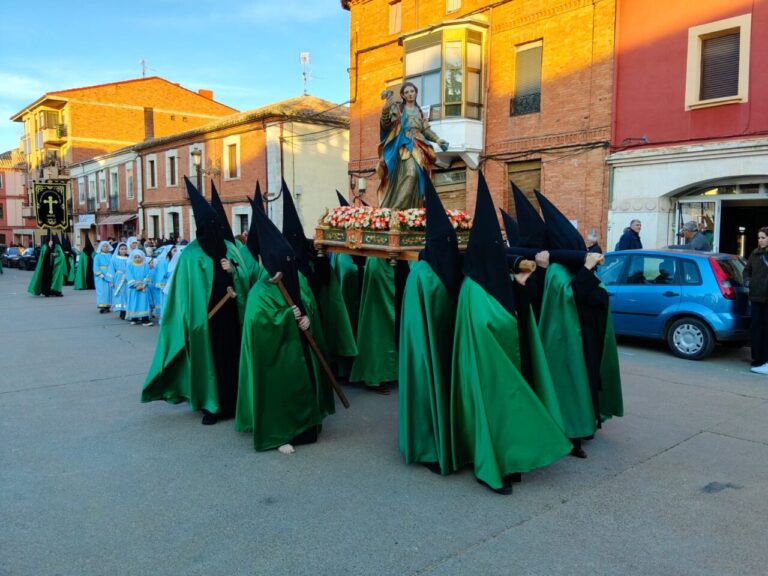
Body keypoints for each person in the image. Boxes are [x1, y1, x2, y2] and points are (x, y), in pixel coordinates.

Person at [451, 172, 572, 494]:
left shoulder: (491, 278)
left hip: (505, 359)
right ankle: (493, 466)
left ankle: (511, 460)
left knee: (509, 410)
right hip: (488, 365)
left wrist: (519, 285)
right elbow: (485, 324)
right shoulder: (472, 289)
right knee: (497, 409)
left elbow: (514, 310)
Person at [142, 178, 249, 425]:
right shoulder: (190, 255)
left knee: (231, 360)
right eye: (207, 225)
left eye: (215, 224)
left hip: (231, 316)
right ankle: (212, 404)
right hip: (206, 321)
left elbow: (245, 278)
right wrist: (190, 320)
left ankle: (234, 402)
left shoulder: (230, 248)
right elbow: (182, 295)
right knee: (210, 363)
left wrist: (234, 271)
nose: (213, 229)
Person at [236, 196, 335, 453]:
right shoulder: (259, 292)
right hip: (277, 359)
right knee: (282, 391)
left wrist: (307, 318)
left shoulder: (296, 280)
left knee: (306, 385)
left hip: (301, 348)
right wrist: (285, 318)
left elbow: (309, 305)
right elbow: (258, 325)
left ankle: (307, 424)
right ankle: (280, 433)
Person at [535, 190, 624, 459]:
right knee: (571, 385)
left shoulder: (571, 267)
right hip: (569, 340)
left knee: (588, 380)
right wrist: (585, 270)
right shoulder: (556, 271)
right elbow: (569, 297)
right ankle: (572, 435)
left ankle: (586, 424)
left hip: (587, 335)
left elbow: (594, 294)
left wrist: (588, 272)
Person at [398, 177, 463, 475]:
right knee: (426, 390)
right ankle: (426, 446)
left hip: (445, 341)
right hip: (424, 350)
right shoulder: (421, 275)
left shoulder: (445, 267)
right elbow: (415, 325)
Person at [377, 82, 449, 209]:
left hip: (420, 146)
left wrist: (437, 140)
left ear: (416, 93)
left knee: (419, 177)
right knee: (410, 173)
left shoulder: (420, 112)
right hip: (404, 146)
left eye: (412, 91)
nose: (410, 94)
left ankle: (413, 208)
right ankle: (397, 208)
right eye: (407, 92)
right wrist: (386, 109)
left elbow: (426, 130)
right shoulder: (399, 109)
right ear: (403, 96)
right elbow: (386, 124)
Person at [745, 227, 768, 374]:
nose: (760, 240)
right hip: (756, 297)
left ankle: (766, 360)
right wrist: (748, 281)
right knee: (756, 328)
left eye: (763, 237)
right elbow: (747, 270)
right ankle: (757, 358)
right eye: (759, 238)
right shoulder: (755, 253)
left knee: (766, 329)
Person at [125, 249, 153, 326]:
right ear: (132, 258)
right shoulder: (130, 265)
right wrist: (135, 285)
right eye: (135, 257)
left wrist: (143, 285)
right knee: (134, 302)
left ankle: (145, 319)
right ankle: (134, 318)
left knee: (144, 303)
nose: (137, 259)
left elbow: (148, 275)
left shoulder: (145, 265)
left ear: (142, 257)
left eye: (139, 257)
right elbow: (129, 275)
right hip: (134, 288)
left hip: (143, 287)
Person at [107, 242, 129, 319]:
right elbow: (111, 270)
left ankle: (126, 311)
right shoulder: (114, 259)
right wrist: (111, 281)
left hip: (127, 278)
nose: (123, 250)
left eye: (125, 249)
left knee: (126, 294)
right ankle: (122, 311)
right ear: (119, 250)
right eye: (122, 249)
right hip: (118, 278)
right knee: (120, 294)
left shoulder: (129, 258)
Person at [93, 241, 113, 313]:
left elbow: (113, 265)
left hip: (109, 274)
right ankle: (102, 306)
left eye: (106, 246)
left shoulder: (110, 255)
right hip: (100, 276)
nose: (105, 248)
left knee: (109, 291)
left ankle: (108, 306)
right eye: (104, 246)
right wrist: (99, 274)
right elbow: (95, 266)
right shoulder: (97, 256)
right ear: (101, 247)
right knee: (102, 291)